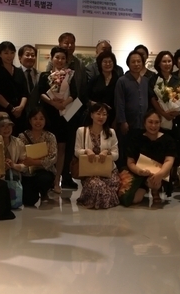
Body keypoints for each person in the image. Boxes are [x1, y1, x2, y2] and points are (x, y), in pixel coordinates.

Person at [45, 32, 87, 190]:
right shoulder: (53, 62)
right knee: (55, 144)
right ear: (59, 43)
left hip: (73, 108)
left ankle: (66, 176)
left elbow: (80, 89)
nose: (69, 45)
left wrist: (71, 105)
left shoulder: (79, 64)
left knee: (69, 144)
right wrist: (56, 104)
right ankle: (52, 177)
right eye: (66, 42)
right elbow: (48, 86)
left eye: (72, 43)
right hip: (54, 109)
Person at [38, 46, 79, 193]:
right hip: (49, 114)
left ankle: (57, 181)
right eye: (57, 57)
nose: (60, 60)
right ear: (52, 58)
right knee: (48, 148)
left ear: (66, 60)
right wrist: (53, 103)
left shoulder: (70, 76)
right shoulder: (44, 75)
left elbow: (74, 94)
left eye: (63, 58)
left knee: (61, 148)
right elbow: (41, 93)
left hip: (64, 115)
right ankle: (47, 180)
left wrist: (63, 104)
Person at [120, 109, 176, 206]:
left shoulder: (168, 139)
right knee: (134, 199)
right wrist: (139, 171)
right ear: (144, 123)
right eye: (150, 122)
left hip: (160, 175)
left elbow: (169, 160)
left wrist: (160, 174)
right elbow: (130, 162)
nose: (153, 126)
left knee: (155, 181)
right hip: (139, 175)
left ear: (160, 123)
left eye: (156, 122)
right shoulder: (136, 138)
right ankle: (144, 188)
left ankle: (156, 191)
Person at [74, 103, 120, 209]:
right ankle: (99, 199)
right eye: (98, 114)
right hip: (90, 171)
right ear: (91, 115)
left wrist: (107, 153)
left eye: (104, 114)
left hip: (108, 171)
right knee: (97, 185)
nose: (101, 117)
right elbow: (76, 151)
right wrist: (86, 151)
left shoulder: (111, 132)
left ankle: (101, 199)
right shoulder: (82, 131)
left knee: (110, 183)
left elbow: (116, 155)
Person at [115, 51, 151, 167]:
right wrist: (122, 121)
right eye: (133, 62)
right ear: (128, 64)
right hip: (128, 124)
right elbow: (119, 102)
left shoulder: (146, 81)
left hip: (143, 125)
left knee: (139, 153)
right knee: (125, 152)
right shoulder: (122, 81)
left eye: (139, 61)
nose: (136, 64)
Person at [18, 108, 57, 207]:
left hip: (44, 170)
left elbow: (53, 157)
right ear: (30, 120)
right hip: (27, 172)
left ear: (45, 120)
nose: (38, 121)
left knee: (44, 179)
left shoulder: (50, 136)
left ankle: (44, 192)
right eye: (35, 118)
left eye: (41, 118)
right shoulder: (22, 136)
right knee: (28, 200)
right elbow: (19, 155)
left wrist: (34, 162)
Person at [0, 41, 29, 133]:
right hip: (3, 111)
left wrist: (21, 107)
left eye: (12, 53)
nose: (9, 56)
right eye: (6, 53)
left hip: (20, 112)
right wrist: (11, 108)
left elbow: (25, 93)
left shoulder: (19, 71)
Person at [0, 112, 26, 208]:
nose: (6, 129)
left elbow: (25, 164)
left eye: (9, 125)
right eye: (2, 126)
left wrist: (14, 165)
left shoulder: (18, 142)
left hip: (15, 179)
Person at [148, 50, 180, 132]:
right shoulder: (154, 79)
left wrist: (175, 112)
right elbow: (152, 98)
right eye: (164, 61)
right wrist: (163, 113)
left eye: (169, 61)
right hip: (157, 118)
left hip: (174, 119)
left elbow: (179, 98)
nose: (167, 64)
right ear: (159, 63)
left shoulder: (177, 80)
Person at [88, 51, 120, 128]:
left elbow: (120, 101)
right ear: (100, 64)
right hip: (95, 116)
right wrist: (97, 105)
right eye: (105, 62)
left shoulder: (119, 80)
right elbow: (85, 97)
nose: (108, 64)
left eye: (110, 62)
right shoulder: (94, 80)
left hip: (112, 117)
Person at [18, 44, 41, 117]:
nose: (30, 57)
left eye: (33, 55)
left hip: (35, 115)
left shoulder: (40, 75)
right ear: (20, 57)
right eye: (27, 55)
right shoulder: (15, 73)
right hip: (19, 114)